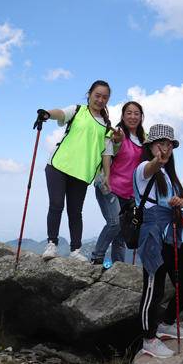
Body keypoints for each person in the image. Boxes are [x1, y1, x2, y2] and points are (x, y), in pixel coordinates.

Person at [38, 80, 123, 261]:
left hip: (82, 173)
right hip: (58, 166)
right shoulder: (77, 110)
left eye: (104, 97)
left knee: (75, 212)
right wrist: (47, 114)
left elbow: (107, 153)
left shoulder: (107, 126)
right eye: (97, 95)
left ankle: (75, 250)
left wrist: (107, 176)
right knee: (56, 205)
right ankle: (51, 244)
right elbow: (61, 113)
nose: (100, 100)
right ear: (89, 94)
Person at [136, 123, 183, 359]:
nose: (166, 148)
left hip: (173, 232)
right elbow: (149, 169)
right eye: (161, 143)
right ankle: (148, 339)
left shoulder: (169, 174)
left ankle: (166, 322)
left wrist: (180, 202)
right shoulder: (144, 167)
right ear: (150, 146)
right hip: (153, 234)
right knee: (154, 288)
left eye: (169, 144)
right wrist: (158, 161)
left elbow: (179, 197)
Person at [91, 101, 146, 265]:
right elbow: (107, 154)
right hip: (109, 187)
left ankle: (118, 267)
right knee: (114, 223)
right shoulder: (116, 134)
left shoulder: (144, 140)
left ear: (141, 117)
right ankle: (97, 258)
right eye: (129, 113)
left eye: (136, 113)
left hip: (130, 194)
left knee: (122, 234)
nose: (133, 116)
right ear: (122, 116)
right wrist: (106, 176)